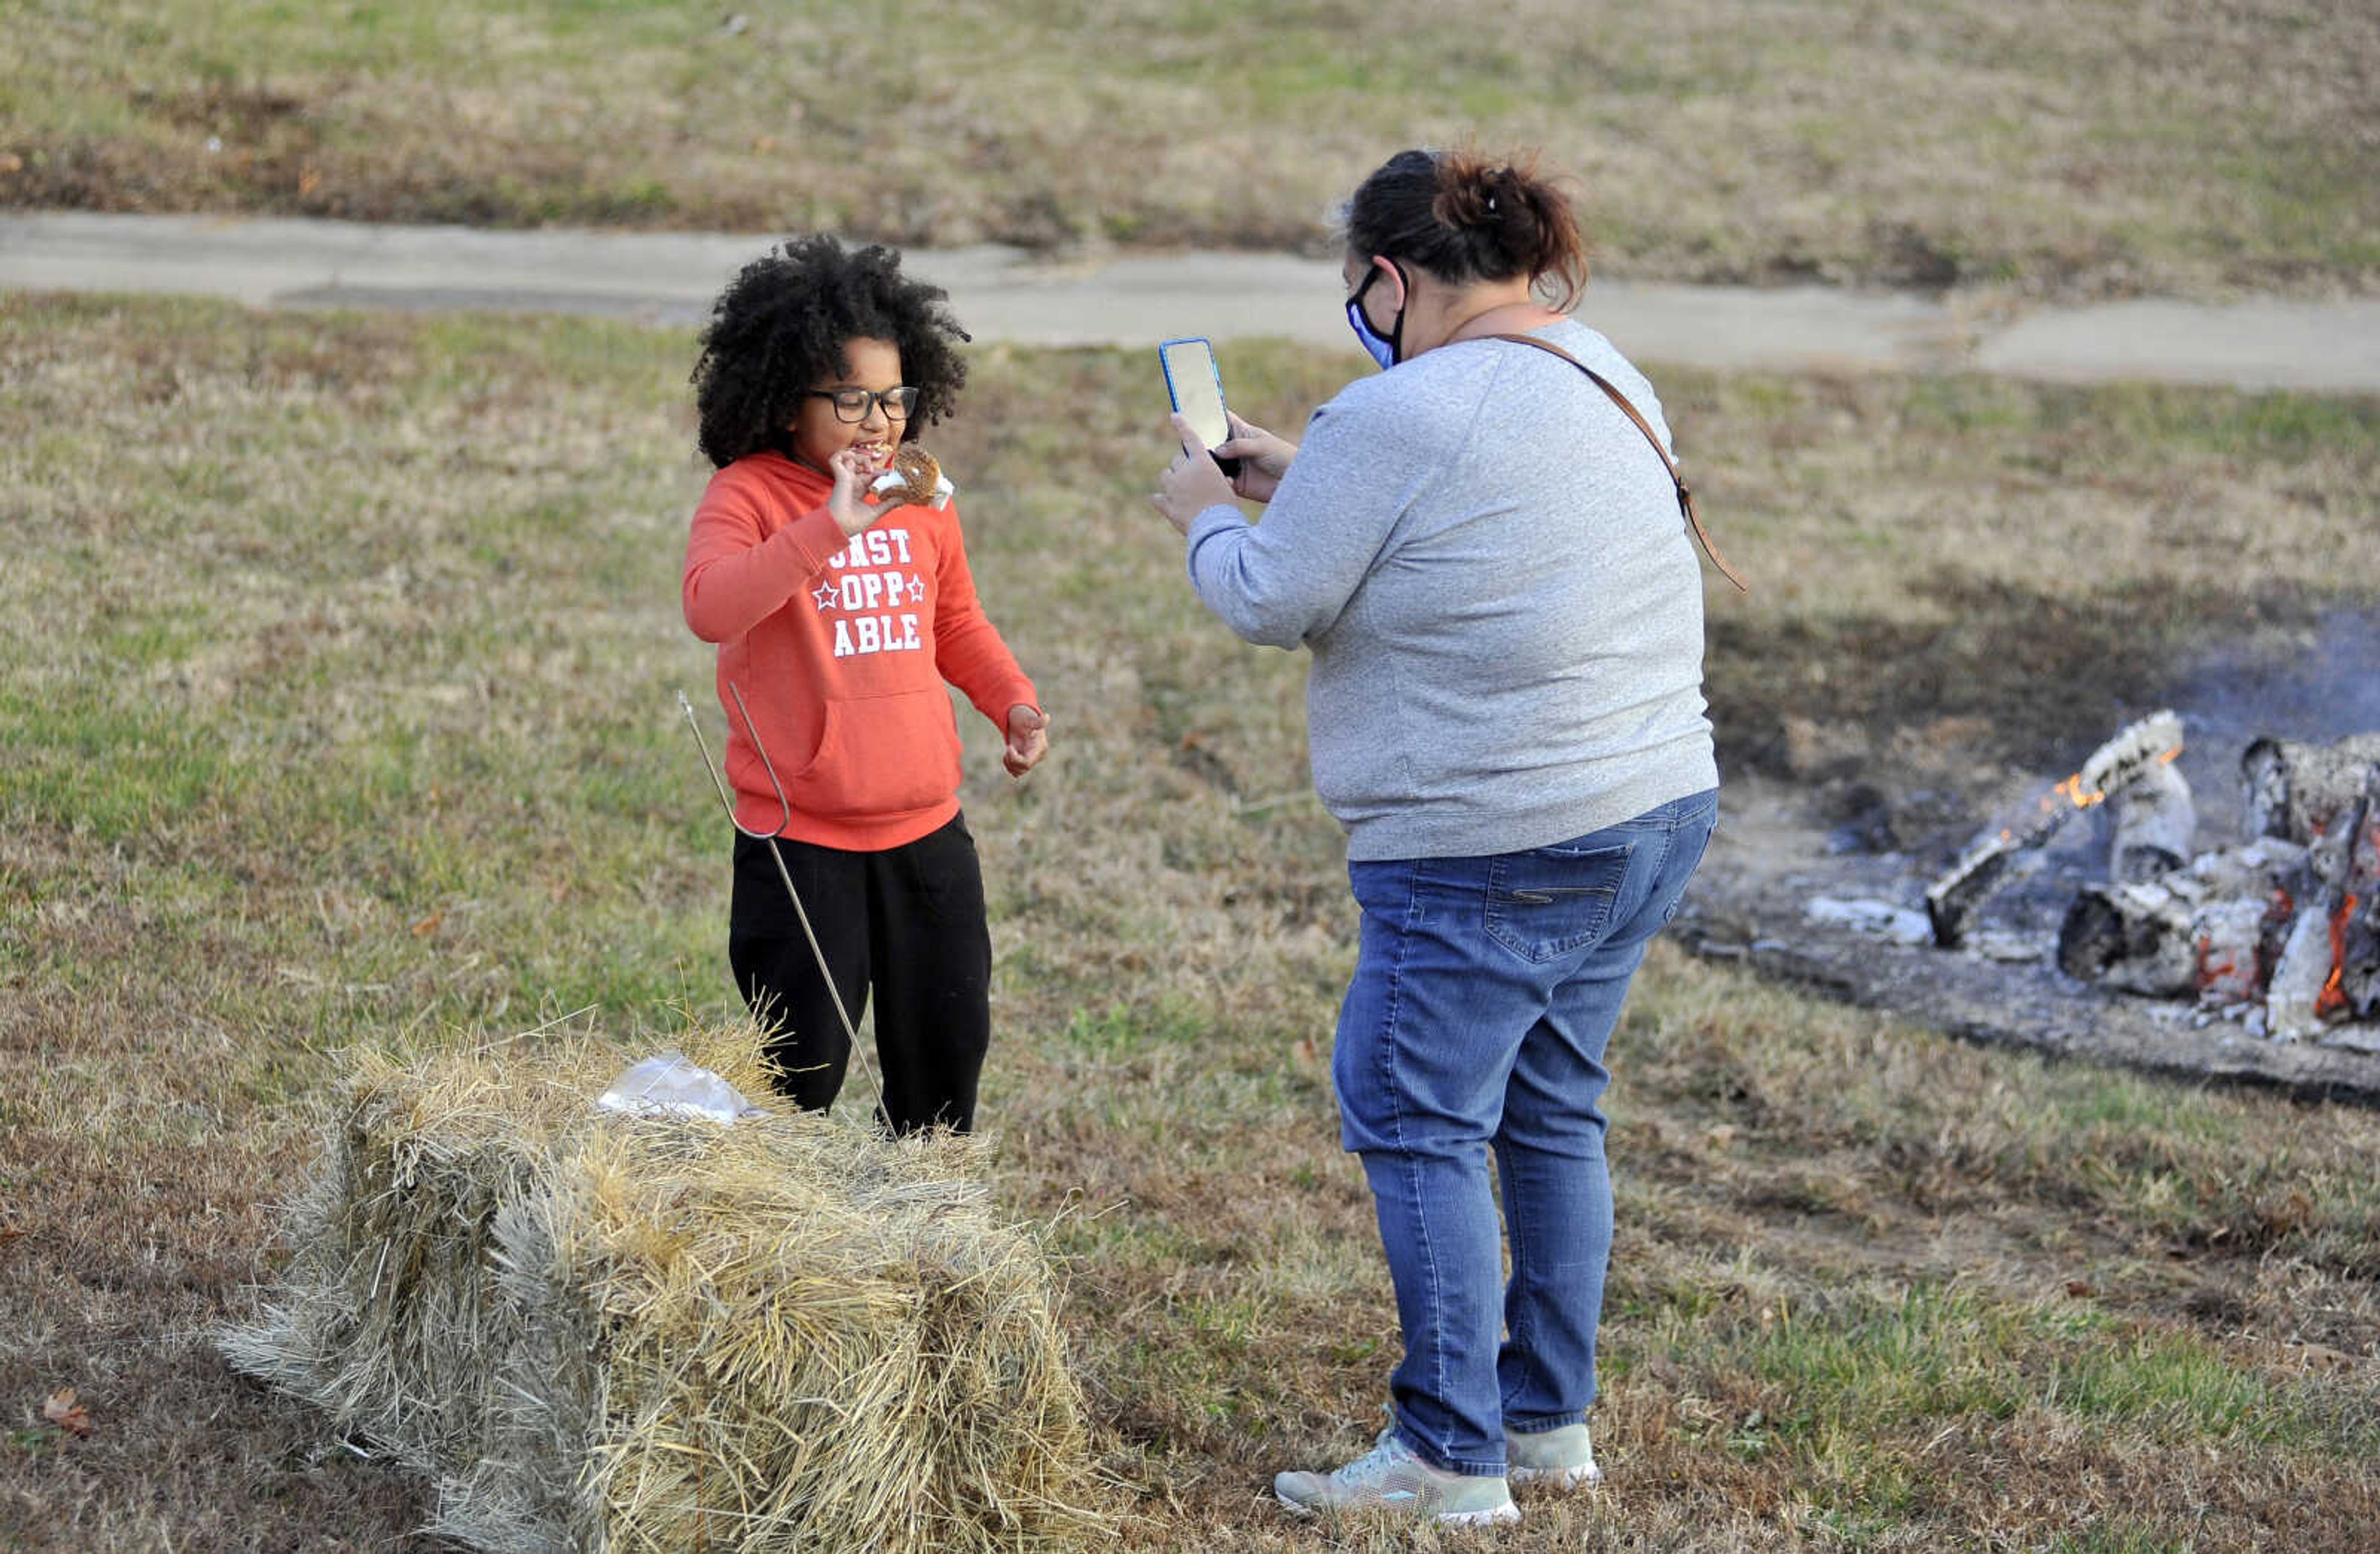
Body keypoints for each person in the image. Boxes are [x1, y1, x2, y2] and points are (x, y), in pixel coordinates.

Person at [1151, 147, 1722, 1527]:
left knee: (1415, 1117)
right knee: (1550, 1103)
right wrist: (1305, 468)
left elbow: (1273, 601)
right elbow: (1472, 512)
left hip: (1490, 843)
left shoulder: (1393, 415)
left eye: (1360, 291)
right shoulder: (1602, 368)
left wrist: (1207, 518)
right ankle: (1545, 1423)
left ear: (1391, 280)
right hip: (1652, 810)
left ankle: (1449, 1458)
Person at [683, 235, 1048, 1136]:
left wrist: (1011, 699)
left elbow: (955, 622)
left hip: (926, 830)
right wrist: (830, 527)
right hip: (802, 841)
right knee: (798, 1075)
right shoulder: (751, 496)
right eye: (852, 400)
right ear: (784, 401)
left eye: (894, 398)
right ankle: (774, 1228)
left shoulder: (922, 498)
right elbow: (711, 607)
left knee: (945, 1061)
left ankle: (916, 1230)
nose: (880, 421)